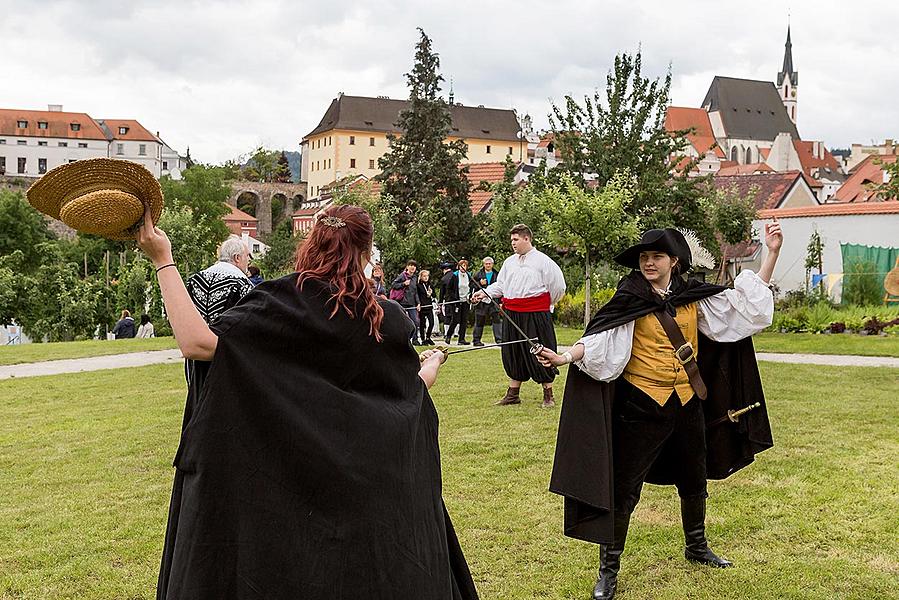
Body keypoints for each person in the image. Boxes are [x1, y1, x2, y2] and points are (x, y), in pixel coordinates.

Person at [137, 204, 479, 600]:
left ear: (310, 244)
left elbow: (197, 342)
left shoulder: (280, 303)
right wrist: (432, 363)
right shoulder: (387, 318)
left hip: (298, 490)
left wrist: (163, 261)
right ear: (367, 254)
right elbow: (410, 392)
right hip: (368, 494)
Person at [540, 225, 782, 600]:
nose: (649, 263)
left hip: (687, 403)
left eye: (656, 257)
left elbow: (743, 309)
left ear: (674, 261)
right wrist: (565, 356)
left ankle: (697, 546)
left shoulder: (692, 296)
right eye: (644, 257)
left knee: (694, 478)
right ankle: (608, 571)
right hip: (641, 406)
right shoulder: (630, 297)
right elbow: (599, 340)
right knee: (625, 490)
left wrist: (772, 254)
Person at [472, 224, 565, 408]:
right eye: (511, 240)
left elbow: (558, 288)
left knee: (541, 350)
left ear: (526, 239)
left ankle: (548, 393)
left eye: (516, 239)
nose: (513, 243)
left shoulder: (543, 261)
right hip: (512, 313)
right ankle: (513, 393)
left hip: (535, 313)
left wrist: (545, 306)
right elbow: (501, 286)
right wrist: (484, 293)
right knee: (512, 351)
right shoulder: (509, 262)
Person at [471, 257, 502, 346]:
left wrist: (500, 302)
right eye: (486, 264)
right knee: (479, 321)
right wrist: (480, 283)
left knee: (496, 320)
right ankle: (476, 340)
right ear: (483, 264)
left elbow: (500, 288)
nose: (488, 265)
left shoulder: (497, 274)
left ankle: (499, 339)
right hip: (481, 302)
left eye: (489, 264)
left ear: (492, 264)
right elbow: (471, 284)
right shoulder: (478, 274)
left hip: (493, 301)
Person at [392, 260, 422, 345]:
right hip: (402, 302)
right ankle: (402, 340)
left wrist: (418, 303)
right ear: (407, 266)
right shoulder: (402, 275)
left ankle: (414, 339)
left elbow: (415, 291)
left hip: (412, 303)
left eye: (414, 266)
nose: (413, 267)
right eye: (411, 265)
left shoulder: (415, 278)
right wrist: (403, 284)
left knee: (416, 322)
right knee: (402, 322)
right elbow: (393, 285)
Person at [443, 259, 472, 345]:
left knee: (464, 320)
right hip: (456, 301)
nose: (463, 268)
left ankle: (461, 339)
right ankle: (448, 336)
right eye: (461, 266)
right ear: (459, 267)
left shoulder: (469, 276)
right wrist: (454, 298)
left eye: (465, 266)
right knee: (455, 319)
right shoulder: (455, 276)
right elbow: (449, 289)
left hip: (465, 301)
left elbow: (471, 287)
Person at [436, 261, 455, 338]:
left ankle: (447, 333)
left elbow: (442, 292)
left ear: (444, 270)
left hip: (448, 300)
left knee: (447, 316)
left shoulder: (444, 279)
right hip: (456, 299)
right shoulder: (455, 276)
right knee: (455, 316)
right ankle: (456, 333)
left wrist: (440, 302)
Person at [418, 269, 436, 345]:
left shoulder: (430, 285)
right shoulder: (418, 285)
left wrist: (431, 293)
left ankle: (428, 337)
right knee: (422, 324)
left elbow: (434, 295)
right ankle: (423, 339)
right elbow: (417, 295)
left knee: (432, 322)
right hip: (422, 306)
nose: (426, 277)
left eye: (427, 276)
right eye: (424, 276)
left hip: (429, 306)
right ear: (421, 277)